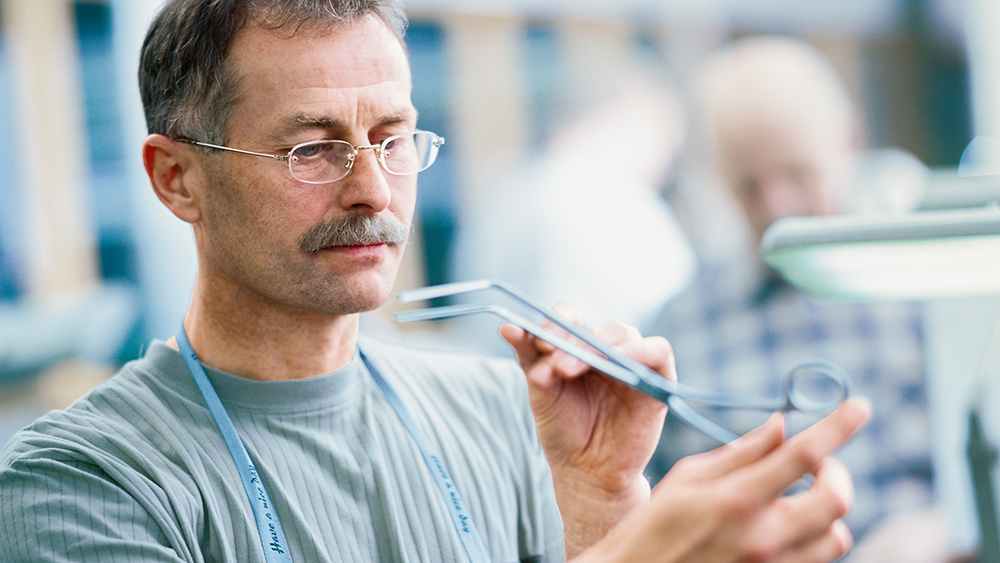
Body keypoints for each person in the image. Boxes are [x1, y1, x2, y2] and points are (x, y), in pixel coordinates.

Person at [0, 3, 870, 562]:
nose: (374, 188)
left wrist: (602, 499)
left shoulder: (504, 416)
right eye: (312, 147)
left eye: (393, 136)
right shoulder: (83, 483)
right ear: (174, 177)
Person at [644, 35, 935, 554]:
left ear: (848, 139)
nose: (778, 205)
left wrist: (946, 526)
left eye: (798, 173)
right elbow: (651, 523)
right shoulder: (676, 332)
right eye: (749, 185)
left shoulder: (926, 293)